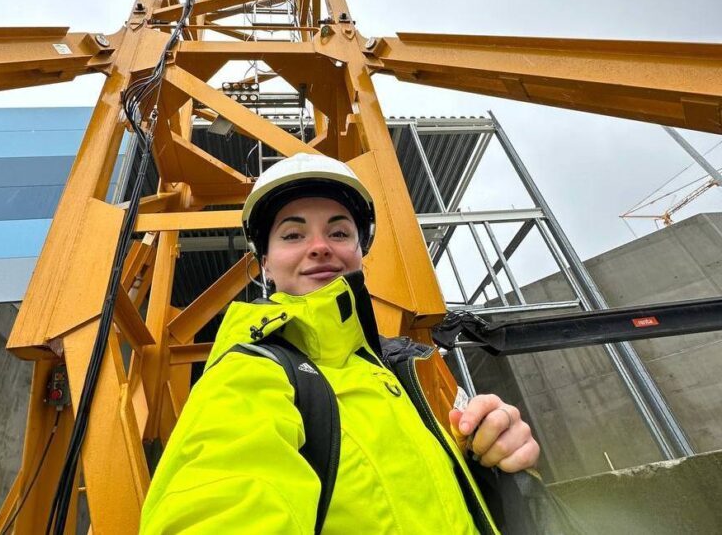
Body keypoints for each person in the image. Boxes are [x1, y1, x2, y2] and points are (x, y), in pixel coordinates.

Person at [140, 153, 539, 534]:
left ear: (360, 252)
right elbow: (223, 496)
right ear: (265, 264)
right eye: (293, 234)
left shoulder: (411, 366)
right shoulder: (250, 370)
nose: (320, 246)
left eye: (339, 232)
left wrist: (496, 447)